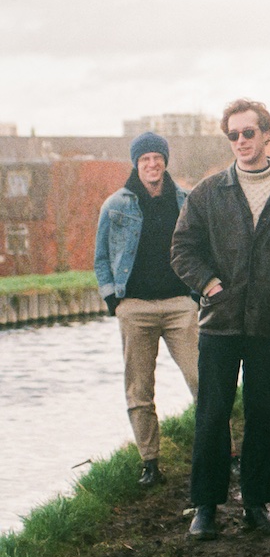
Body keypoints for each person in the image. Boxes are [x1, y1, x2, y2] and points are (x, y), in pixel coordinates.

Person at [171, 99, 270, 541]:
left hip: (267, 324)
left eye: (248, 133)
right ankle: (205, 506)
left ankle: (257, 505)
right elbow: (182, 248)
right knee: (212, 413)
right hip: (218, 322)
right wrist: (210, 285)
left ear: (266, 134)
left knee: (262, 413)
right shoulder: (208, 192)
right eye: (233, 135)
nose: (241, 142)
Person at [94, 132, 199, 488]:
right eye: (145, 159)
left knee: (204, 379)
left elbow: (203, 248)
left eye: (157, 158)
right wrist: (115, 301)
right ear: (136, 164)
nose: (152, 164)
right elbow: (101, 259)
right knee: (139, 388)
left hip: (179, 306)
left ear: (165, 161)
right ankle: (150, 462)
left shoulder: (186, 200)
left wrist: (196, 294)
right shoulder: (115, 205)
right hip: (135, 307)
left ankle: (223, 452)